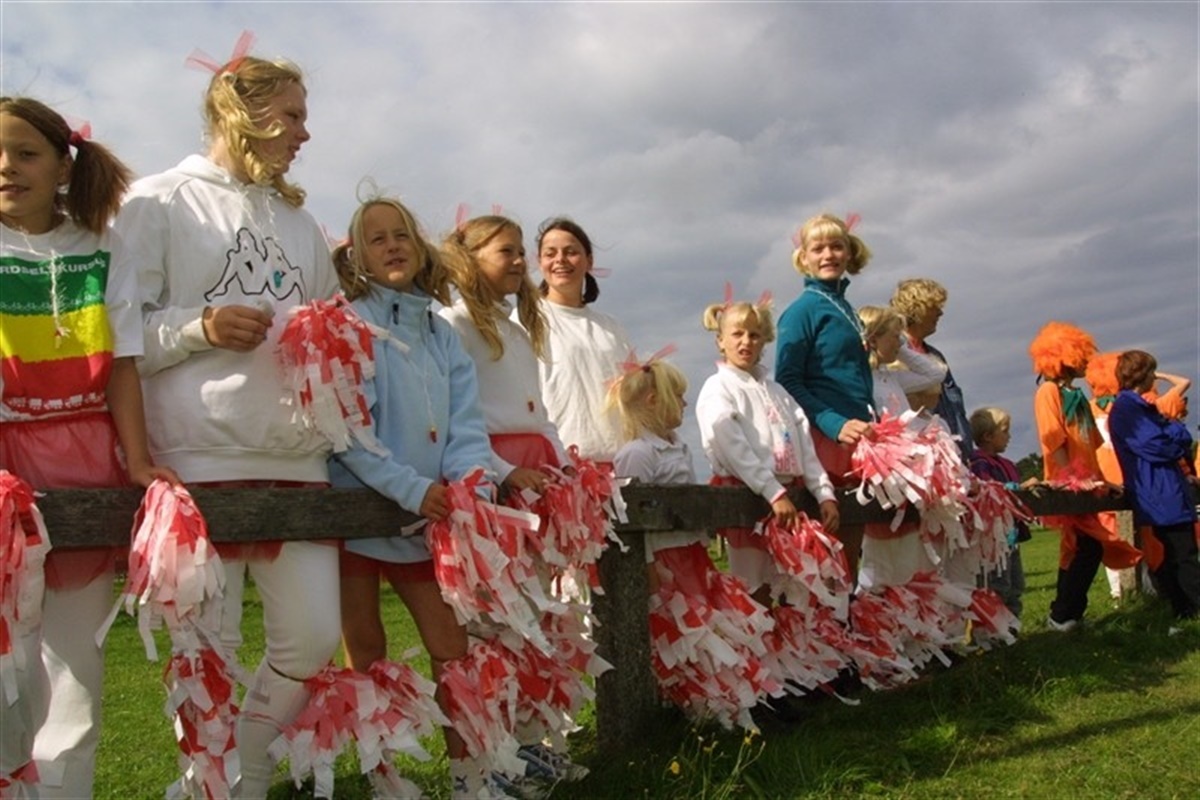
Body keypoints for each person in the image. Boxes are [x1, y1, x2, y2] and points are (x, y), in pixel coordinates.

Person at [114, 46, 341, 796]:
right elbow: (119, 339)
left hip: (298, 461)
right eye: (293, 115)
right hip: (196, 459)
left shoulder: (301, 222)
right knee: (206, 654)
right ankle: (215, 785)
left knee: (311, 641)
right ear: (242, 110)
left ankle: (246, 772)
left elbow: (330, 330)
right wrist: (200, 328)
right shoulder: (157, 201)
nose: (304, 132)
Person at [0, 97, 176, 798]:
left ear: (64, 167)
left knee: (75, 678)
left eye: (25, 153)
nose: (6, 167)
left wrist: (137, 461)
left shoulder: (103, 247)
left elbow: (124, 365)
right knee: (9, 674)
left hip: (87, 464)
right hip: (6, 465)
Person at [327, 196, 501, 796]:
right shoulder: (348, 324)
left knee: (451, 645)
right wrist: (411, 488)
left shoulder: (441, 331)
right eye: (376, 239)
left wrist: (468, 484)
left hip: (429, 519)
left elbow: (467, 424)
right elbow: (349, 429)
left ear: (420, 246)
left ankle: (469, 777)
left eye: (401, 234)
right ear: (357, 256)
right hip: (359, 511)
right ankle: (384, 779)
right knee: (365, 647)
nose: (393, 246)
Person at [439, 214, 589, 785]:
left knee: (533, 614)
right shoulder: (453, 324)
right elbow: (459, 416)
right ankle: (491, 755)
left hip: (535, 476)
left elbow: (538, 409)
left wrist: (564, 466)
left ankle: (526, 743)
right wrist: (503, 473)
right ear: (471, 257)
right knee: (493, 620)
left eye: (521, 250)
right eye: (508, 251)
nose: (522, 261)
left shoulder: (519, 328)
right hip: (492, 481)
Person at [612, 354, 776, 730]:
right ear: (654, 401)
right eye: (679, 396)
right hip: (665, 561)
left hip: (691, 554)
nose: (685, 404)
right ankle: (692, 704)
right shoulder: (637, 454)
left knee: (706, 622)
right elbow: (633, 519)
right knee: (681, 626)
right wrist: (648, 566)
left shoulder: (677, 447)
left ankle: (720, 701)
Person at [696, 294, 839, 604]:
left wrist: (823, 492)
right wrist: (772, 491)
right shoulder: (717, 388)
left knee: (792, 587)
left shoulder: (779, 392)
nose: (746, 342)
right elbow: (732, 446)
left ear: (764, 341)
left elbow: (804, 444)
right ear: (720, 341)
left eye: (754, 335)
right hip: (747, 498)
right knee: (753, 589)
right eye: (737, 334)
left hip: (789, 501)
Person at [775, 212, 873, 574]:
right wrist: (834, 423)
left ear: (850, 251)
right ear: (804, 257)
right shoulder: (801, 311)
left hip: (856, 439)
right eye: (818, 248)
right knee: (826, 558)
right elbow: (787, 381)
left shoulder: (844, 307)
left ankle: (847, 610)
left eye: (836, 246)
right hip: (824, 442)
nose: (828, 254)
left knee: (851, 552)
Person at [1029, 321, 1140, 632]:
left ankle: (1067, 614)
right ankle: (1063, 615)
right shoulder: (1048, 392)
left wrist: (1103, 480)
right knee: (1083, 548)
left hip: (1087, 483)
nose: (1086, 362)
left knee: (1082, 549)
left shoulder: (1076, 395)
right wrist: (1070, 479)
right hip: (1070, 485)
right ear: (1063, 358)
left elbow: (1090, 445)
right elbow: (1053, 439)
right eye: (1081, 356)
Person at [854, 305, 949, 591]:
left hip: (908, 471)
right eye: (894, 337)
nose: (900, 342)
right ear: (873, 338)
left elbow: (937, 374)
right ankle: (875, 599)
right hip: (885, 475)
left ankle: (905, 597)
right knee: (880, 556)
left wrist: (903, 350)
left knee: (909, 554)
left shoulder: (891, 376)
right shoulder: (861, 379)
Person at [1108, 350, 1200, 627]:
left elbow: (1173, 436)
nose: (1154, 378)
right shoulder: (1128, 409)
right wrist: (1174, 432)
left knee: (1177, 552)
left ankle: (1185, 610)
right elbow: (1158, 445)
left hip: (1164, 487)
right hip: (1158, 489)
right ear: (1142, 374)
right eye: (1152, 372)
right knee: (1182, 552)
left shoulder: (1138, 407)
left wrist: (1173, 432)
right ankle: (1190, 608)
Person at [534, 217, 633, 465]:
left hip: (619, 464)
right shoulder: (526, 322)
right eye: (550, 254)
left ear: (589, 261)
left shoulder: (612, 328)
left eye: (571, 252)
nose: (560, 260)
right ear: (539, 262)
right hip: (558, 465)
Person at [890, 278, 973, 459]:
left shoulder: (936, 355)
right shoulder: (892, 356)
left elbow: (956, 412)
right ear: (917, 308)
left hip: (953, 456)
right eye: (935, 307)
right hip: (920, 458)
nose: (940, 313)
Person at [968, 407, 1037, 618]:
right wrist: (1020, 488)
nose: (1009, 437)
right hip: (992, 540)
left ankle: (1011, 627)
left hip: (1010, 535)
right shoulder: (978, 464)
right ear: (988, 436)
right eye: (1005, 431)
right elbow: (988, 489)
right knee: (997, 585)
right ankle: (992, 629)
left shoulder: (1006, 465)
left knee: (1016, 584)